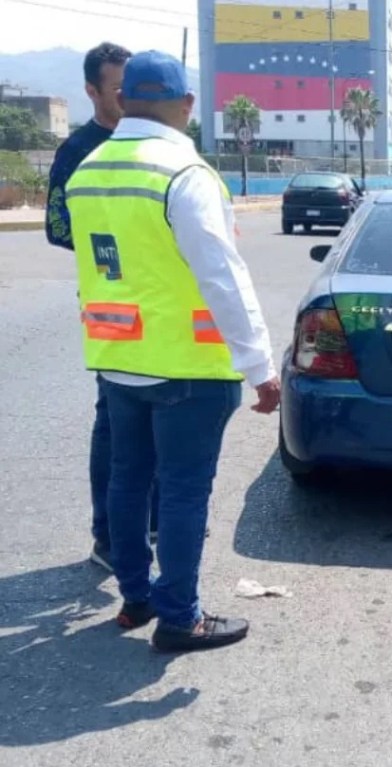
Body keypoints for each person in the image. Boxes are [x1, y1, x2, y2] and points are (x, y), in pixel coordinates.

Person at [66, 51, 281, 652]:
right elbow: (222, 278)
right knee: (184, 491)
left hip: (117, 357)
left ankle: (135, 600)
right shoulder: (185, 175)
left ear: (123, 99)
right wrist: (261, 369)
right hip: (188, 367)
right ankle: (180, 617)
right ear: (187, 106)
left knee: (128, 482)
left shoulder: (88, 171)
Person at [44, 42, 158, 573]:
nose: (128, 96)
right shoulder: (78, 150)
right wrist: (120, 248)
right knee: (114, 422)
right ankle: (107, 536)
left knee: (166, 414)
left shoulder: (154, 142)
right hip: (111, 310)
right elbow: (58, 227)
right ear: (91, 91)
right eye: (118, 88)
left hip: (164, 306)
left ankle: (155, 519)